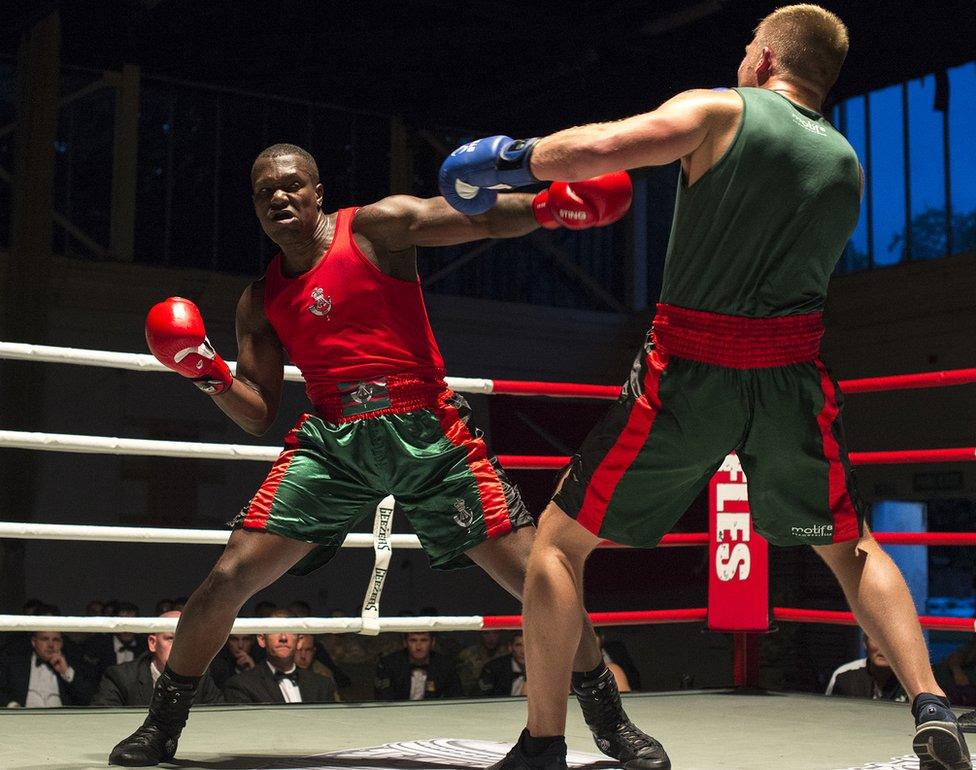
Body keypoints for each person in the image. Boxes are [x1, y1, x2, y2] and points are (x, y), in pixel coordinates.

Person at [439, 5, 968, 770]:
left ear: (765, 60)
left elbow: (605, 147)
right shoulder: (847, 165)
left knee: (557, 544)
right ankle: (930, 706)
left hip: (690, 376)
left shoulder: (722, 109)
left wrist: (509, 159)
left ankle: (544, 743)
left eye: (748, 48)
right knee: (845, 545)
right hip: (791, 382)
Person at [107, 142, 645, 767]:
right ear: (255, 207)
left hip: (427, 430)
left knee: (540, 578)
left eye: (292, 186)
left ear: (317, 191)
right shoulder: (260, 299)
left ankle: (610, 719)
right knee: (230, 575)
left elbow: (470, 218)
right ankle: (162, 728)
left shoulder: (374, 229)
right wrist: (205, 373)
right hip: (333, 441)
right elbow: (256, 410)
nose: (279, 198)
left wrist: (551, 207)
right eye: (264, 193)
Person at [91, 612, 223, 707]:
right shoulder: (121, 677)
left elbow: (219, 720)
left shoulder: (201, 676)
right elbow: (102, 723)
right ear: (152, 643)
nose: (180, 647)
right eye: (171, 638)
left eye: (187, 639)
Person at [223, 611, 337, 705]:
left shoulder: (322, 685)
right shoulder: (242, 685)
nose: (283, 637)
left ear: (299, 641)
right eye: (275, 630)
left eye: (290, 631)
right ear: (262, 639)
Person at [0, 629, 96, 707]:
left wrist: (66, 672)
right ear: (34, 642)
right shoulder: (14, 663)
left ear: (61, 643)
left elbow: (87, 699)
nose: (51, 645)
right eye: (45, 639)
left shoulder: (72, 664)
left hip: (61, 724)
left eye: (56, 640)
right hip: (23, 723)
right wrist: (12, 706)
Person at [375, 632, 462, 701]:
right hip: (398, 716)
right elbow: (383, 699)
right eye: (413, 640)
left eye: (424, 640)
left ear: (433, 642)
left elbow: (456, 697)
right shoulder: (389, 664)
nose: (418, 647)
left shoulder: (445, 665)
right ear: (405, 643)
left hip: (435, 715)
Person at [826, 633, 907, 702]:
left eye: (891, 641)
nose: (883, 647)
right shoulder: (844, 676)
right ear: (865, 642)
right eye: (876, 639)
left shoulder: (912, 679)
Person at [83, 602, 146, 681]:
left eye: (131, 624)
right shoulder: (98, 645)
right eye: (122, 624)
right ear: (115, 625)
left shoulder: (145, 647)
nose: (127, 629)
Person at [457, 630, 508, 695]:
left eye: (495, 633)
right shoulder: (468, 654)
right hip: (474, 697)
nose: (491, 638)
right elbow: (461, 684)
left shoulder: (507, 653)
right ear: (480, 635)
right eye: (486, 633)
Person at [477, 632, 527, 697]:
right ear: (510, 647)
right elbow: (480, 697)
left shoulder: (541, 668)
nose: (523, 651)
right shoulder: (494, 668)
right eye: (518, 645)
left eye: (527, 644)